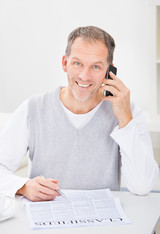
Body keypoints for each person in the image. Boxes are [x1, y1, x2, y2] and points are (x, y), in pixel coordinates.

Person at [0, 26, 159, 202]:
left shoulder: (128, 112)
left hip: (104, 224)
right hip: (45, 222)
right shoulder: (33, 108)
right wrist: (23, 186)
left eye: (96, 67)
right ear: (65, 63)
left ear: (109, 71)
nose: (85, 76)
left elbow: (143, 186)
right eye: (77, 63)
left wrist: (125, 121)